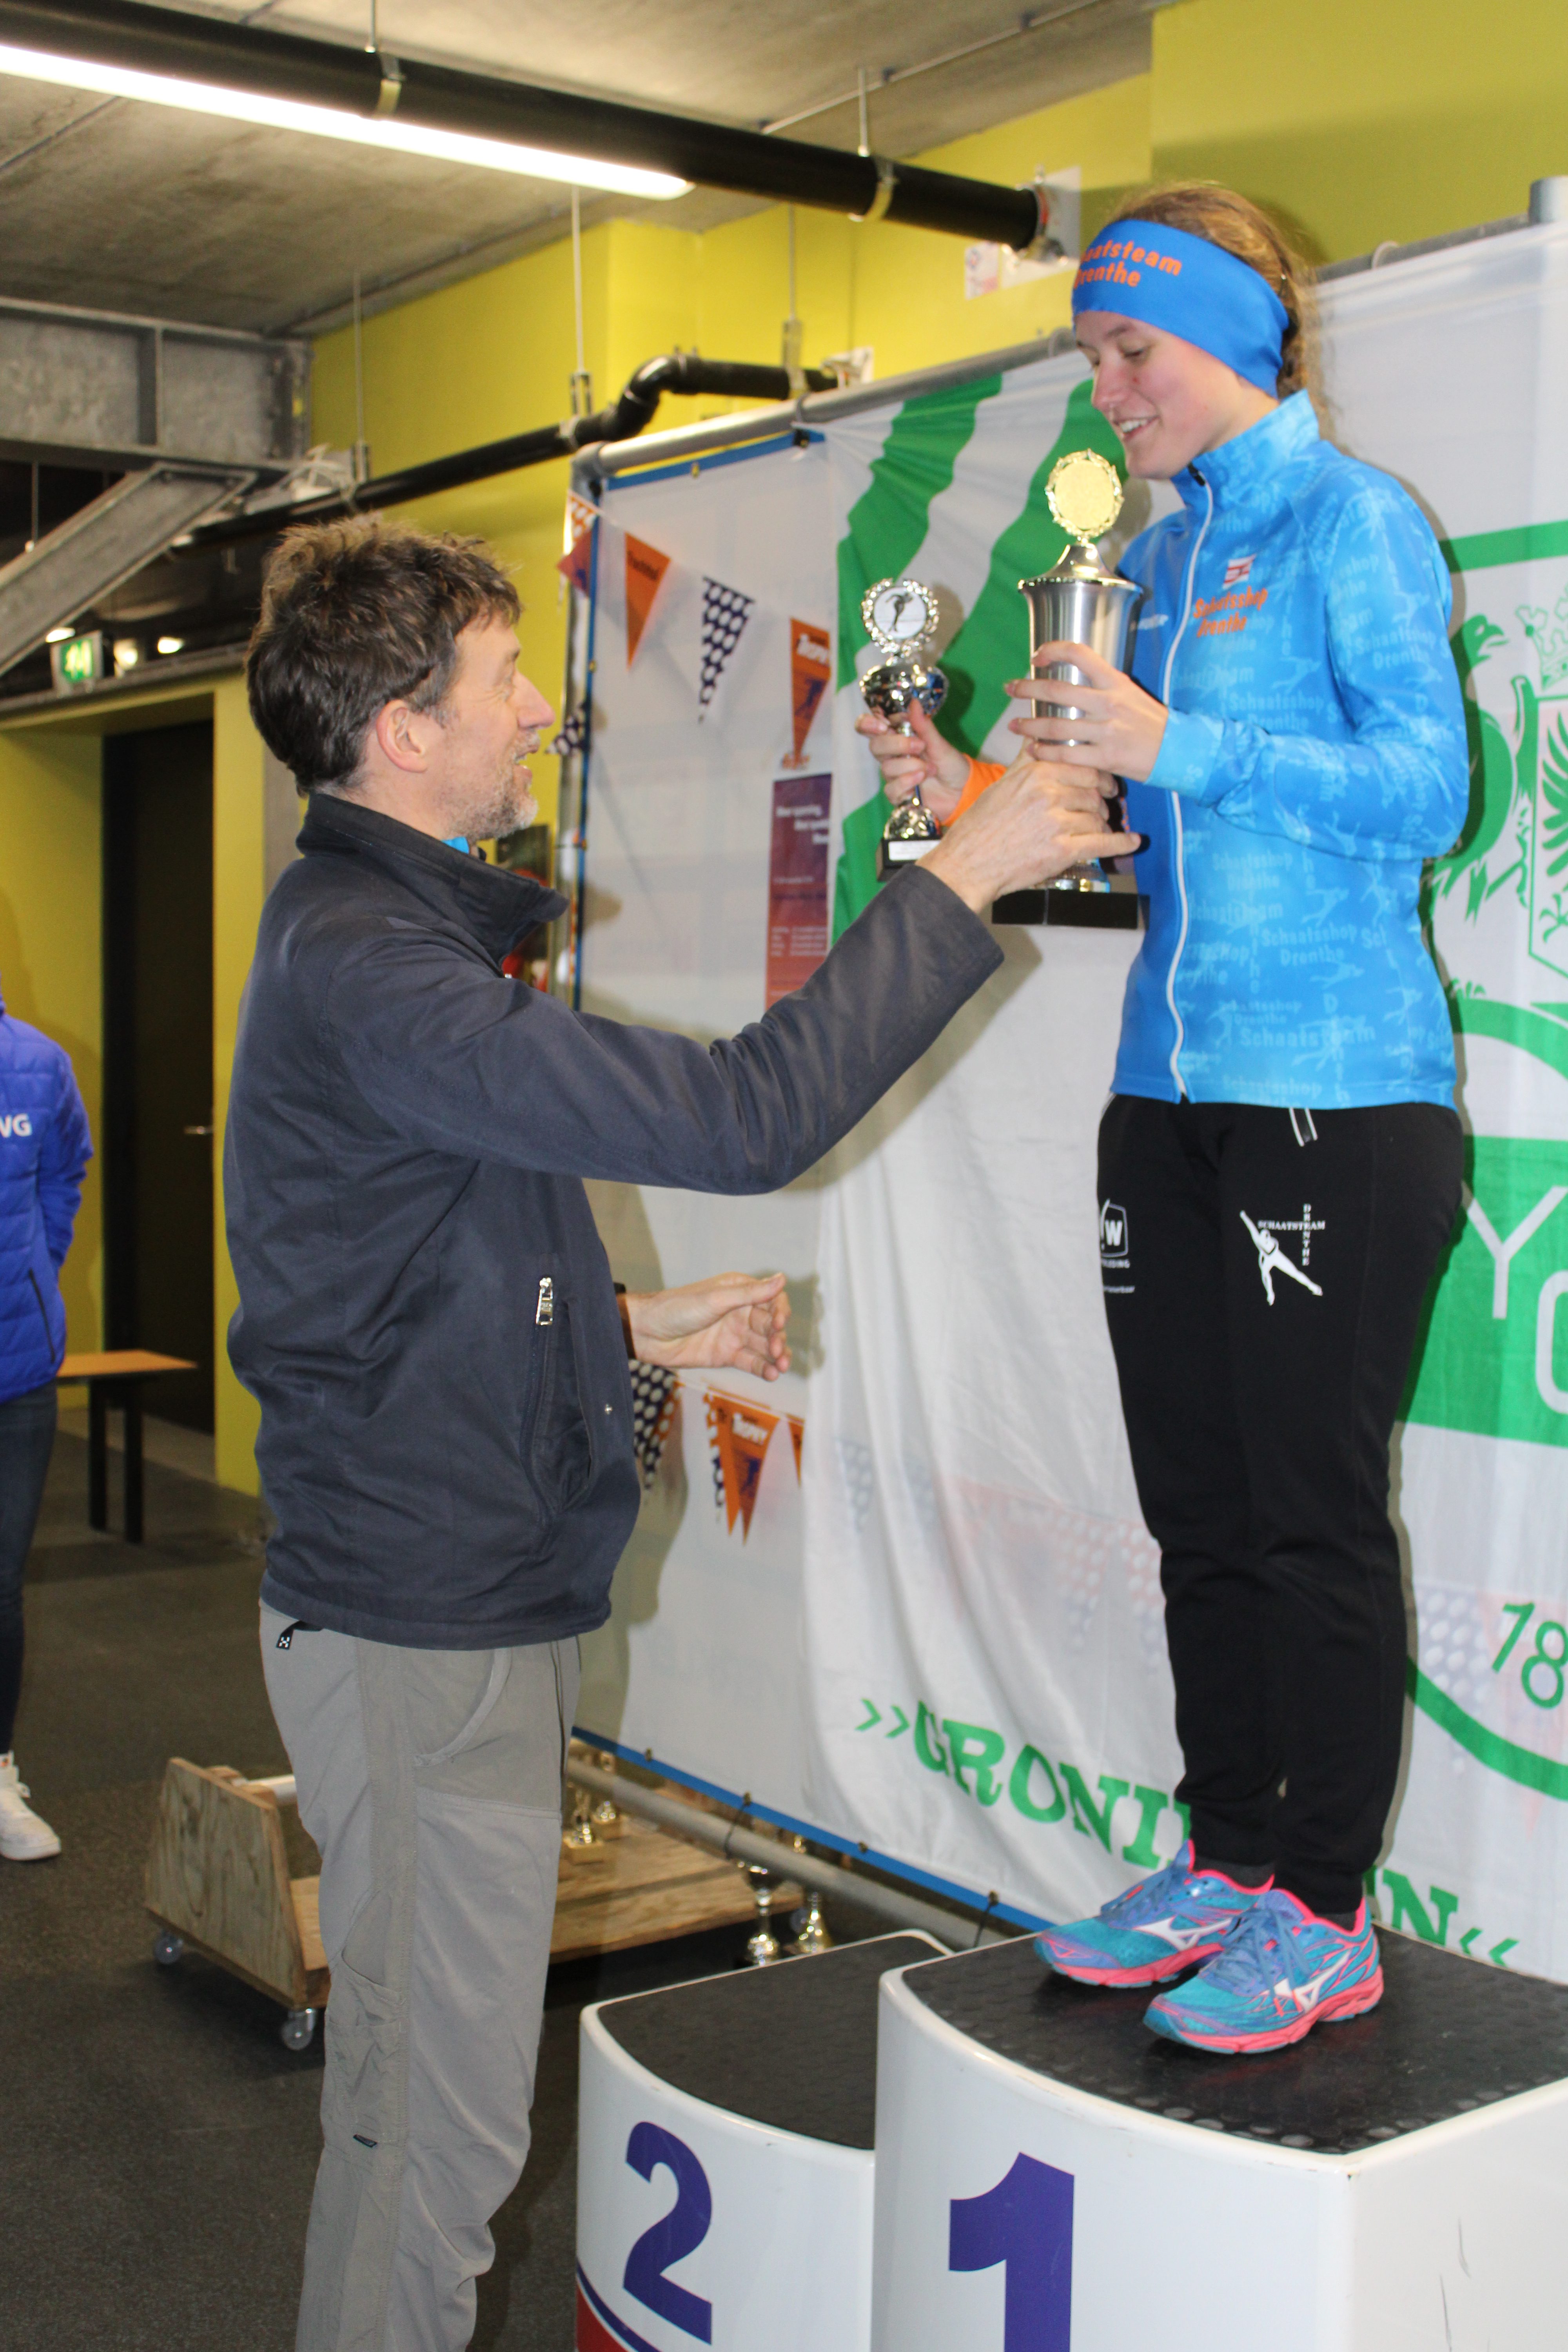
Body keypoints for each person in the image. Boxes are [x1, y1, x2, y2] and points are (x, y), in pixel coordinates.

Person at [227, 517, 1122, 2352]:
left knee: (431, 2118)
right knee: (427, 2140)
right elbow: (741, 1117)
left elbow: (397, 1273)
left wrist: (633, 1326)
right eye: (500, 681)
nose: (535, 711)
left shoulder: (374, 940)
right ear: (402, 730)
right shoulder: (377, 965)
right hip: (420, 1624)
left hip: (448, 1599)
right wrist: (966, 867)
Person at [858, 182, 1468, 2056]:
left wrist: (1172, 740)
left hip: (1332, 1094)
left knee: (1303, 1518)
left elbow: (1426, 788)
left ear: (1231, 338)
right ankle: (1225, 1856)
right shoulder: (1155, 544)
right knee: (1196, 1510)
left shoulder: (1352, 519)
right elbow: (1114, 835)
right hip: (1167, 1098)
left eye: (1128, 351)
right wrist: (960, 778)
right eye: (1091, 357)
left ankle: (1323, 1909)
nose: (1105, 390)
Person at [0, 979, 91, 1862]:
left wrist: (39, 1268)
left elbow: (66, 1172)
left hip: (16, 1368)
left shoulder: (36, 1063)